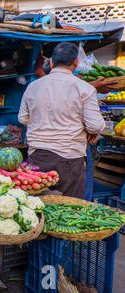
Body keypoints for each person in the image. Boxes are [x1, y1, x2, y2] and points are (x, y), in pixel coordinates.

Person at [18, 42, 106, 199]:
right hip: (69, 159)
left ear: (51, 62)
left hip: (37, 156)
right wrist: (85, 129)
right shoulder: (85, 88)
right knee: (68, 207)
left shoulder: (33, 87)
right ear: (76, 63)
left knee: (38, 205)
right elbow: (96, 126)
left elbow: (23, 118)